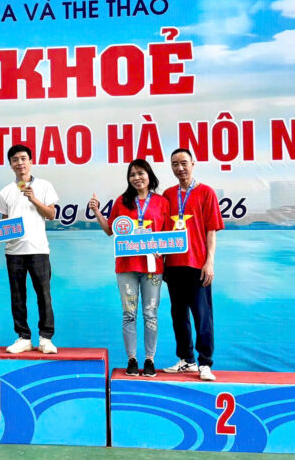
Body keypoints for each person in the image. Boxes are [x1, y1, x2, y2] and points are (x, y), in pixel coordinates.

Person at [90, 159, 170, 378]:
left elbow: (168, 235)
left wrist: (161, 249)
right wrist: (96, 211)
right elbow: (110, 230)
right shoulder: (122, 201)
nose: (137, 178)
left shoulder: (162, 202)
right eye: (132, 174)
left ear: (149, 175)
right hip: (126, 265)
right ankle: (132, 359)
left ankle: (150, 360)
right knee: (129, 314)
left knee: (150, 313)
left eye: (140, 173)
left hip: (153, 266)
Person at [161, 148, 224, 381]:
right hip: (173, 265)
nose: (180, 168)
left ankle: (205, 362)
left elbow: (211, 231)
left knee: (202, 316)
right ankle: (187, 360)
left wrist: (210, 262)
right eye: (175, 164)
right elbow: (160, 230)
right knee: (178, 316)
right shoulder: (167, 195)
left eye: (184, 163)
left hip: (198, 264)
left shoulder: (206, 192)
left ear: (193, 164)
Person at [0, 144, 59, 354]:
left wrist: (33, 199)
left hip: (38, 249)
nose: (20, 163)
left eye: (23, 158)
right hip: (13, 251)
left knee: (44, 295)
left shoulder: (44, 186)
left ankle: (46, 338)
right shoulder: (5, 192)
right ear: (10, 164)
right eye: (15, 160)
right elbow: (4, 224)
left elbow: (51, 214)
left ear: (31, 161)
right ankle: (23, 337)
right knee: (17, 296)